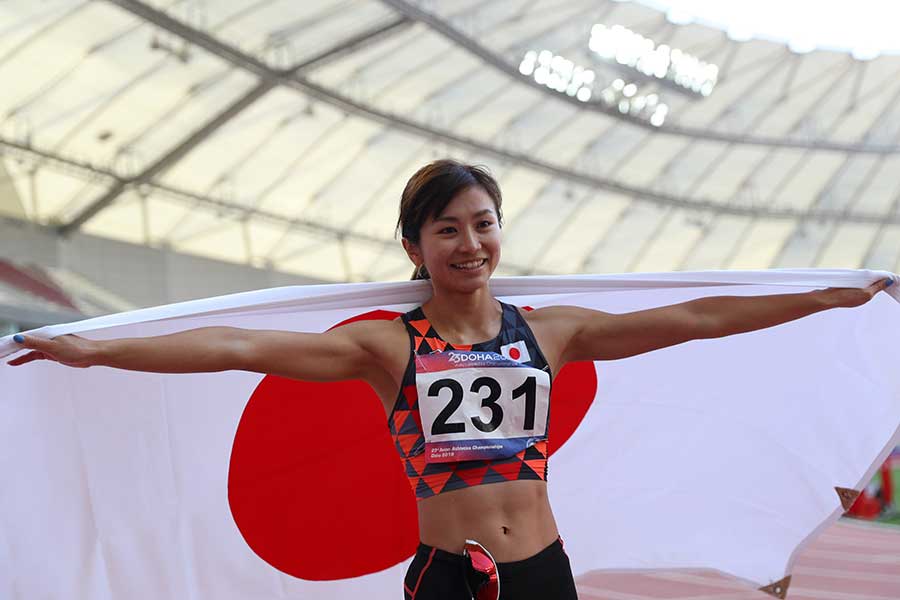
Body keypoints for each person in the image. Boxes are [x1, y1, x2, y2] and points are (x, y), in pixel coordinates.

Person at [8, 160, 894, 600]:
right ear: (414, 246)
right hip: (450, 575)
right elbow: (236, 344)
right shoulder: (389, 349)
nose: (469, 244)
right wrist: (96, 350)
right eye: (447, 230)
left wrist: (824, 297)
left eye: (483, 224)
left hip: (544, 568)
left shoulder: (554, 334)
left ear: (500, 231)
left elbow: (699, 319)